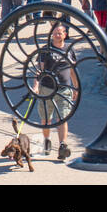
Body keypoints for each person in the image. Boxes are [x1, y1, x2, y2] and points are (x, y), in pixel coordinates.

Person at [38, 21, 76, 160]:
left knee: (62, 117)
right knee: (46, 119)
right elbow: (40, 71)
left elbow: (72, 70)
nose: (57, 35)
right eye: (54, 33)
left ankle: (62, 145)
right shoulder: (45, 50)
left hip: (64, 87)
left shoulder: (69, 49)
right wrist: (36, 86)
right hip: (47, 87)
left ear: (65, 35)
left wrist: (75, 87)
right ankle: (47, 140)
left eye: (59, 33)